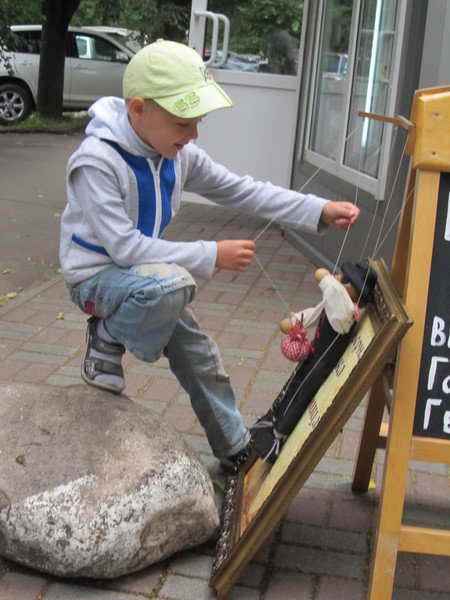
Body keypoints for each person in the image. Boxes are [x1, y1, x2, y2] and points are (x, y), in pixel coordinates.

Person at [59, 40, 360, 472]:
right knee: (178, 283)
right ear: (139, 109)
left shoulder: (176, 154)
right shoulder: (96, 163)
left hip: (148, 278)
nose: (194, 134)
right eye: (184, 122)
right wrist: (210, 253)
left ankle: (234, 447)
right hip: (95, 280)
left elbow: (244, 190)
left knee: (201, 355)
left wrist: (317, 210)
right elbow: (123, 248)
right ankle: (107, 335)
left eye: (197, 122)